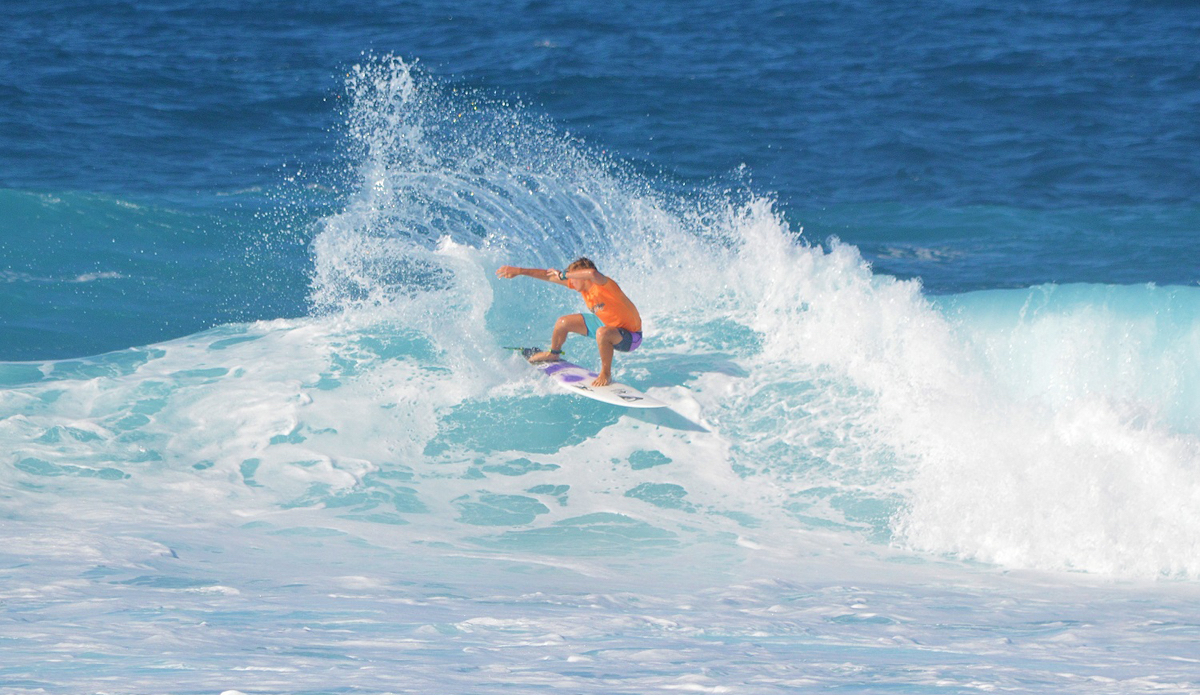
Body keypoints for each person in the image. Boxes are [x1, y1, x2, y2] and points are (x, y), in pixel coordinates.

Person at [495, 257, 642, 387]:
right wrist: (519, 271)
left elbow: (592, 273)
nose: (569, 281)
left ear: (582, 276)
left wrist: (564, 274)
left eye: (573, 276)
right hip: (605, 324)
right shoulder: (583, 289)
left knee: (602, 333)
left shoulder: (604, 285)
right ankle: (553, 354)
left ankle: (605, 374)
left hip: (631, 336)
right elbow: (548, 277)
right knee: (563, 322)